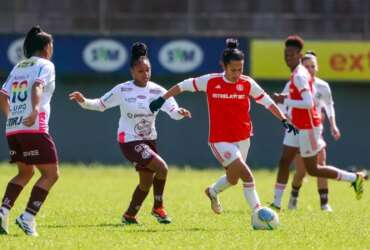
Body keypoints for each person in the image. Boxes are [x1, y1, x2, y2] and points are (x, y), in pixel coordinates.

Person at [149, 38, 296, 219]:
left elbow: (267, 102)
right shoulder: (210, 82)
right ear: (224, 66)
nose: (237, 73)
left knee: (233, 179)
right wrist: (162, 99)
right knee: (247, 176)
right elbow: (183, 86)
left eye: (240, 69)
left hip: (243, 137)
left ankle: (212, 191)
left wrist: (283, 119)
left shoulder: (247, 83)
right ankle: (259, 213)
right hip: (220, 140)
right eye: (233, 69)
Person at [69, 42, 191, 225]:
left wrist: (180, 113)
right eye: (141, 71)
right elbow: (100, 105)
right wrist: (83, 100)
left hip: (149, 140)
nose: (146, 74)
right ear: (132, 72)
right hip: (129, 141)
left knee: (146, 182)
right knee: (162, 168)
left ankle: (129, 215)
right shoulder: (123, 89)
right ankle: (158, 207)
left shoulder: (158, 91)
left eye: (148, 70)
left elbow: (173, 111)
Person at [270, 35, 366, 211]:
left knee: (313, 169)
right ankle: (276, 204)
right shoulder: (299, 73)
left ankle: (355, 178)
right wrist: (285, 99)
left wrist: (285, 100)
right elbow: (304, 97)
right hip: (297, 126)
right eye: (285, 55)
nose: (287, 58)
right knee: (285, 161)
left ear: (299, 55)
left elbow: (309, 103)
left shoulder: (299, 75)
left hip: (308, 127)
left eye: (291, 55)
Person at [0, 25, 59, 237]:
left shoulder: (19, 66)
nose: (52, 48)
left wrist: (10, 117)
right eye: (52, 45)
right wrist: (34, 110)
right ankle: (27, 217)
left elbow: (3, 94)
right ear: (46, 47)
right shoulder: (46, 65)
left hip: (14, 128)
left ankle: (3, 211)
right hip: (34, 126)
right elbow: (37, 86)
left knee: (25, 172)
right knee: (51, 174)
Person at [286, 51, 341, 212]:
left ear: (317, 68)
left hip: (316, 131)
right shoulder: (296, 83)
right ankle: (293, 197)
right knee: (302, 171)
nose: (310, 69)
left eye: (313, 66)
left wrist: (333, 125)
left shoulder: (322, 86)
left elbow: (329, 106)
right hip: (300, 131)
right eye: (306, 66)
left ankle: (324, 203)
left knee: (321, 164)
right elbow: (287, 107)